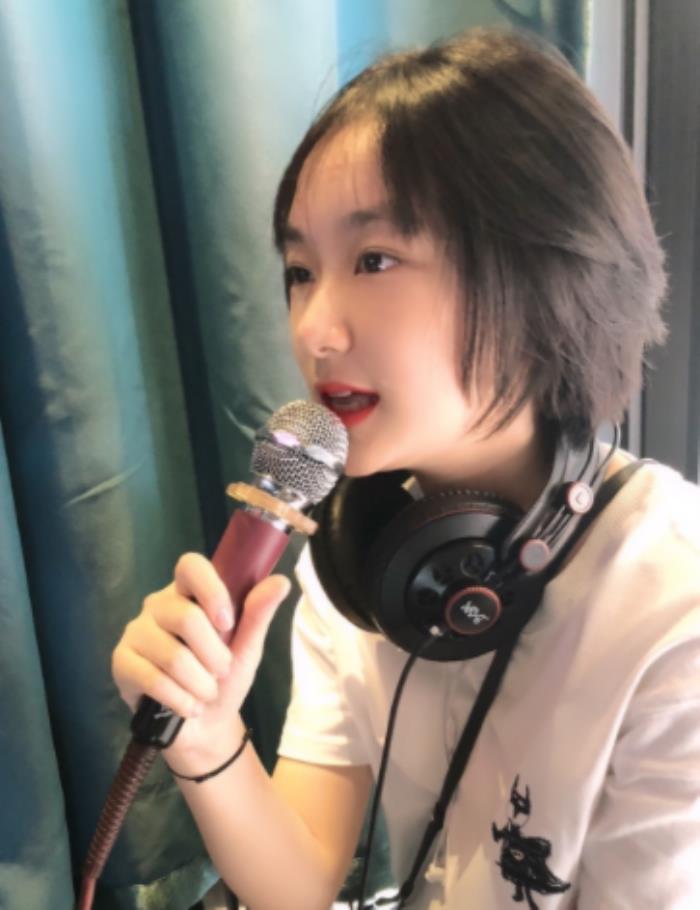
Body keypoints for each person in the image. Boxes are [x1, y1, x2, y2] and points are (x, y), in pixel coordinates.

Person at [112, 27, 700, 910]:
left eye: (375, 260)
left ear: (543, 269)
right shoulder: (358, 560)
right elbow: (300, 881)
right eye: (300, 271)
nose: (314, 330)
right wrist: (205, 739)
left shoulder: (675, 609)